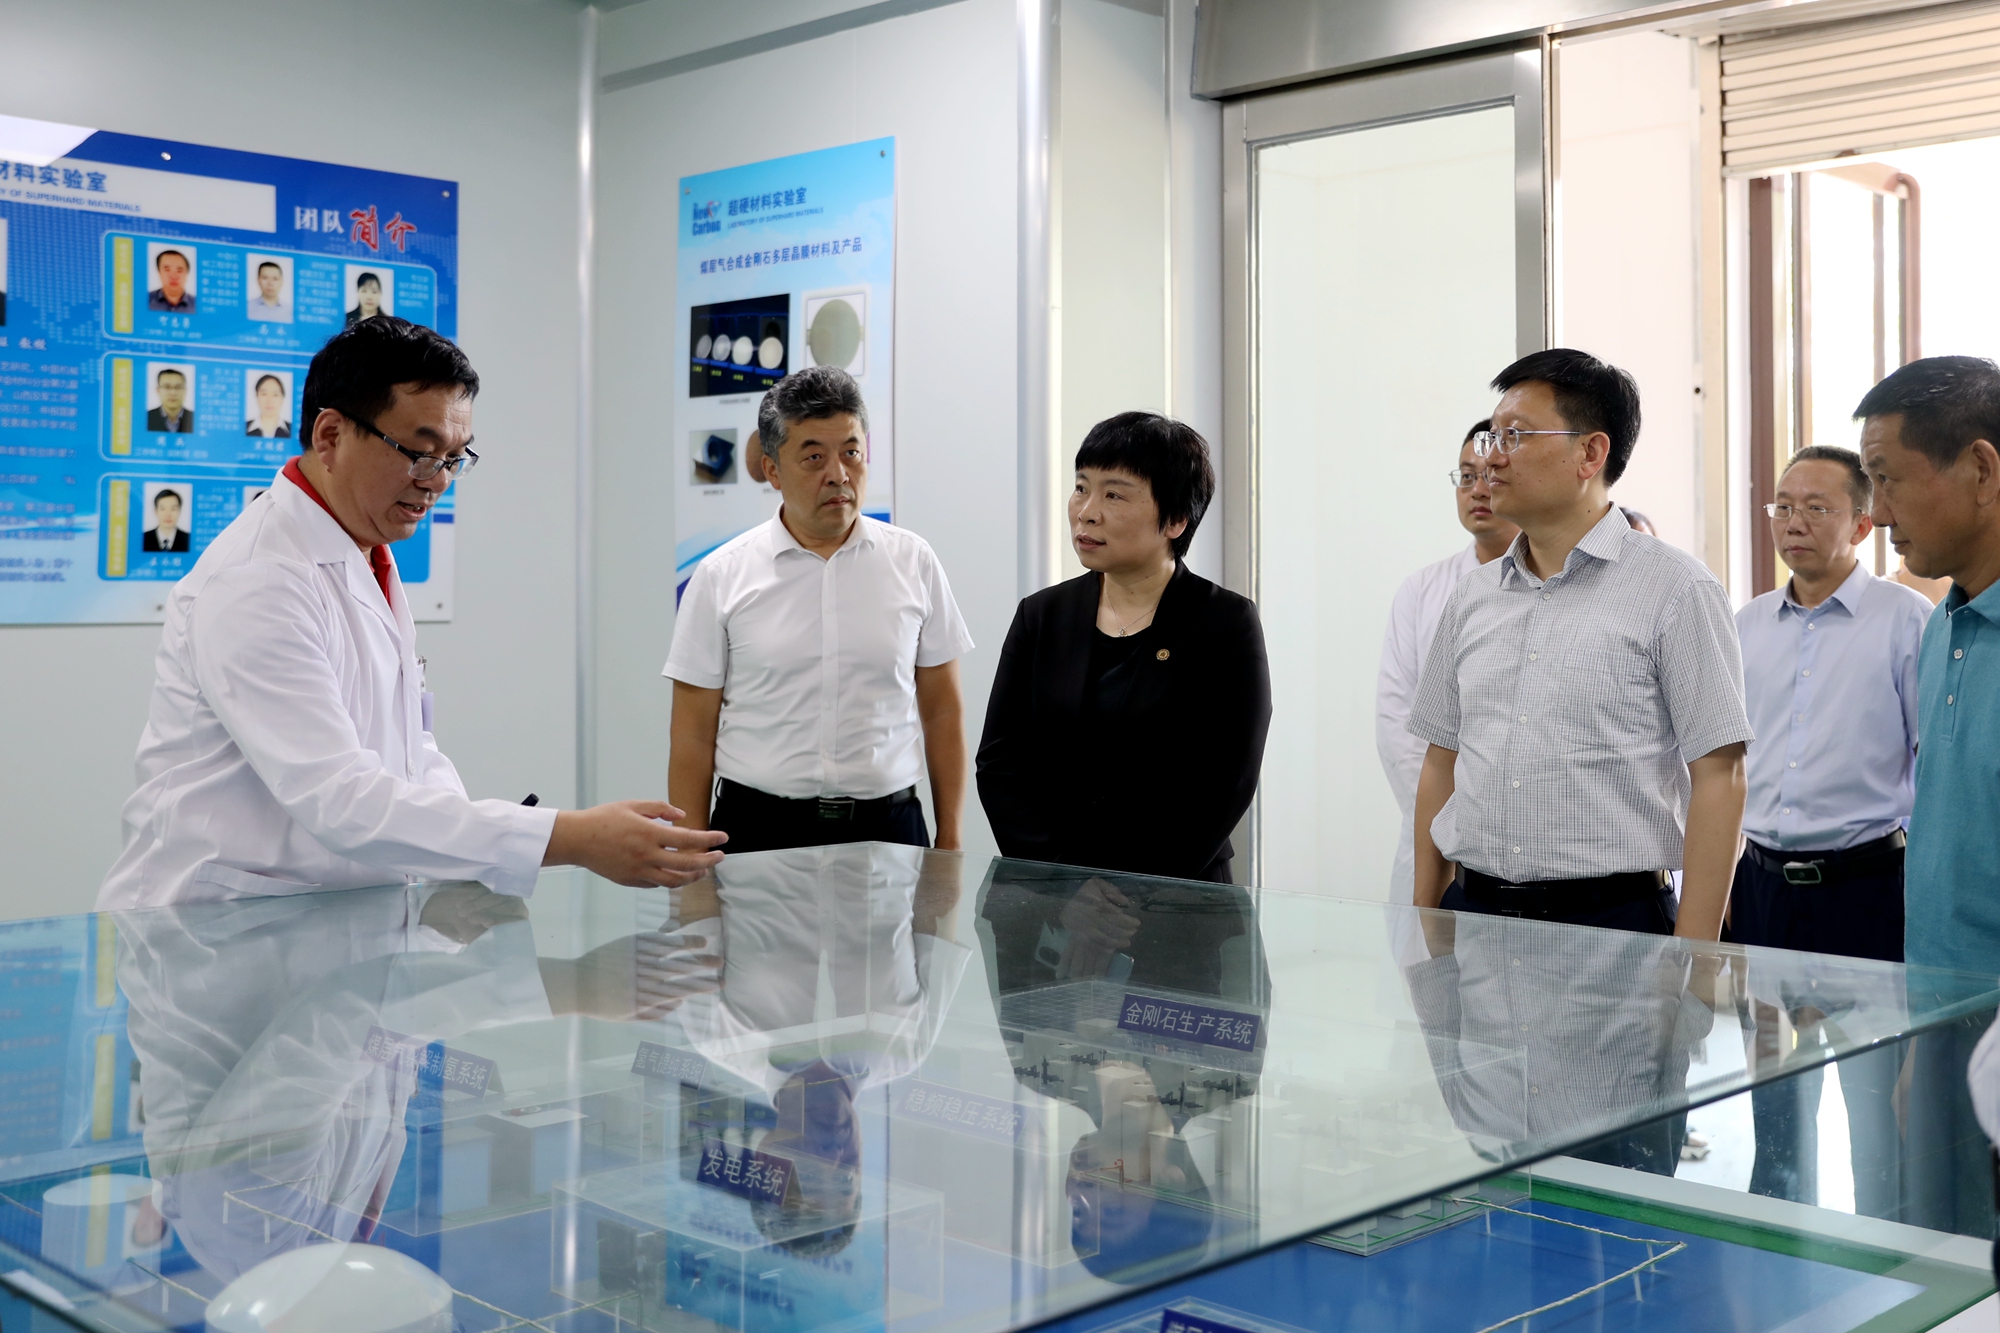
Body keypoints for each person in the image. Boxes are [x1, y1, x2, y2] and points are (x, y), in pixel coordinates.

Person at [97, 316, 726, 911]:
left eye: (455, 457)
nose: (438, 481)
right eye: (420, 452)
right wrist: (565, 838)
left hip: (325, 919)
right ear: (330, 436)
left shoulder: (362, 547)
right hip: (215, 930)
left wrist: (472, 858)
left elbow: (409, 752)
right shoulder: (258, 579)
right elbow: (339, 799)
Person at [1409, 348, 1752, 939]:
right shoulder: (1473, 595)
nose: (1492, 458)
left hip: (1613, 925)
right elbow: (1442, 760)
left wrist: (1695, 956)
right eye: (1491, 437)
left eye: (1515, 436)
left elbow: (1721, 775)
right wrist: (1428, 916)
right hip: (1475, 915)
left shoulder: (1676, 588)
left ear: (1590, 453)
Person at [1732, 444, 1927, 1211]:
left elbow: (1931, 767)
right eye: (1783, 506)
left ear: (1862, 522)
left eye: (1817, 507)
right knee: (1775, 1101)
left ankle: (1885, 1249)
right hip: (1765, 893)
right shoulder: (1747, 625)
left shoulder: (1906, 622)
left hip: (1865, 892)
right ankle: (1779, 1238)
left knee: (1875, 1108)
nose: (1794, 522)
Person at [665, 365, 972, 854]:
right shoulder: (722, 575)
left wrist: (950, 838)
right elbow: (692, 736)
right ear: (772, 470)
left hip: (889, 831)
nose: (839, 474)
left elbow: (942, 712)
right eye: (814, 457)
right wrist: (690, 853)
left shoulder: (913, 561)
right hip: (759, 830)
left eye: (851, 452)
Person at [978, 412, 1271, 884]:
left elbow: (1227, 780)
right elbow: (1000, 763)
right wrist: (1069, 885)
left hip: (1177, 894)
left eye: (1113, 494)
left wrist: (1129, 893)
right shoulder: (1042, 615)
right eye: (1081, 488)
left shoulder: (1224, 623)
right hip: (1050, 899)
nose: (1087, 511)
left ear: (1176, 519)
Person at [1858, 355, 2000, 1242]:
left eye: (1888, 479)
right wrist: (1923, 1036)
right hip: (1944, 1018)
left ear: (1981, 469)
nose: (1876, 514)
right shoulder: (1944, 620)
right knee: (1946, 1266)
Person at [1376, 419, 1520, 904]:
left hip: (1534, 849)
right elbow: (1398, 725)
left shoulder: (1559, 583)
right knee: (1427, 947)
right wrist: (1452, 823)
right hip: (1435, 835)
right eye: (1466, 475)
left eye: (1488, 474)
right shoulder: (1423, 591)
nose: (1477, 489)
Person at [142, 488, 190, 552]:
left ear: (179, 511)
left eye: (173, 509)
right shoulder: (143, 538)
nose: (168, 515)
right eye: (163, 509)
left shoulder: (188, 539)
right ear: (155, 511)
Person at [147, 367, 194, 433]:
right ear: (158, 390)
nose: (173, 393)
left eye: (178, 387)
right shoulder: (146, 418)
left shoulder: (195, 418)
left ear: (185, 391)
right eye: (167, 387)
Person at [245, 374, 291, 438]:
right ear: (257, 396)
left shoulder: (292, 429)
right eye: (264, 394)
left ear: (282, 398)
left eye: (275, 395)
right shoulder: (244, 428)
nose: (270, 401)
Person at [149, 249, 195, 313]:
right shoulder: (144, 300)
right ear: (159, 273)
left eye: (179, 271)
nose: (173, 276)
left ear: (186, 274)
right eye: (167, 270)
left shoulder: (198, 305)